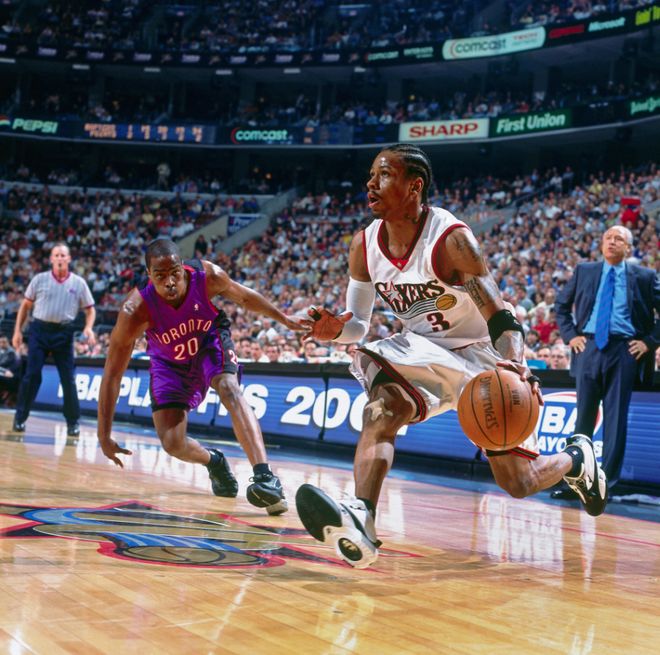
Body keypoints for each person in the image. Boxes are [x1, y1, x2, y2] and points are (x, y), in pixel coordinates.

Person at [294, 143, 607, 569]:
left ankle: (577, 458)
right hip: (422, 348)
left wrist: (514, 362)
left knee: (518, 482)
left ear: (414, 186)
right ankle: (361, 517)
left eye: (383, 175)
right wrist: (335, 331)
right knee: (381, 410)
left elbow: (500, 317)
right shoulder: (363, 246)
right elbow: (358, 325)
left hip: (482, 353)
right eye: (370, 175)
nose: (370, 184)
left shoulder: (451, 239)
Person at [97, 238, 311, 515]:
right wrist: (104, 435)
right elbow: (112, 375)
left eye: (174, 273)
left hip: (208, 341)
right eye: (160, 276)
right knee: (172, 443)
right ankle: (214, 462)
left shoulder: (207, 275)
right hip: (169, 363)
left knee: (229, 388)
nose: (170, 282)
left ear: (182, 267)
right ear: (149, 275)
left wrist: (284, 319)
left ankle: (265, 477)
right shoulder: (134, 310)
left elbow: (245, 298)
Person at [554, 225, 659, 497]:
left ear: (629, 248)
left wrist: (649, 342)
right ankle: (574, 483)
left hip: (624, 351)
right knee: (583, 420)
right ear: (602, 244)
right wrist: (571, 336)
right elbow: (561, 306)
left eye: (618, 239)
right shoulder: (584, 271)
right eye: (608, 238)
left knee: (615, 421)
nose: (612, 242)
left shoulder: (645, 276)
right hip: (588, 348)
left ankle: (605, 485)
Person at [12, 243, 96, 435]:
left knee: (68, 379)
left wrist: (88, 327)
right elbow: (25, 306)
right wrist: (17, 331)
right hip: (39, 330)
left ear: (69, 259)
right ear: (51, 259)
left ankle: (73, 422)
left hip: (64, 332)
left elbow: (90, 310)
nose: (59, 258)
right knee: (32, 375)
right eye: (56, 255)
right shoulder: (39, 279)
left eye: (63, 255)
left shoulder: (79, 283)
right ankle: (20, 418)